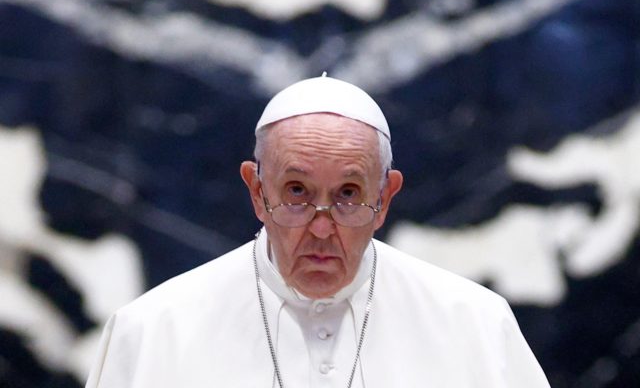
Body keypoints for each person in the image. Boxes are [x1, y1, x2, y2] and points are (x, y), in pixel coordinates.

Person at [85, 74, 551, 388]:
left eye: (349, 193)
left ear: (385, 197)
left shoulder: (476, 325)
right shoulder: (153, 331)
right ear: (256, 191)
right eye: (296, 192)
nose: (322, 228)